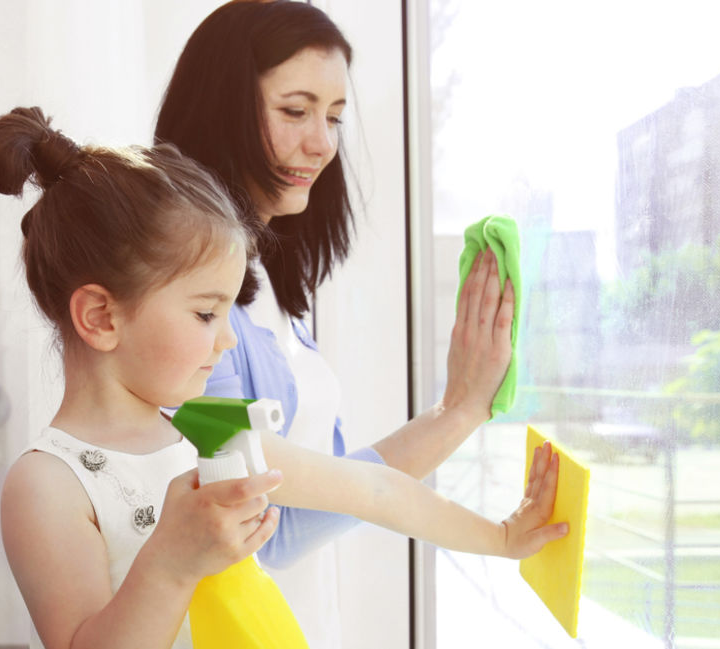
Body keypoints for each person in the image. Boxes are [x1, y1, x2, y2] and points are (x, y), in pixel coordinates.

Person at [0, 106, 565, 649]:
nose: (228, 338)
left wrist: (502, 539)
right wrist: (170, 563)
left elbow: (373, 488)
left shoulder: (208, 433)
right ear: (102, 317)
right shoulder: (46, 484)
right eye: (207, 313)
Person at [155, 2, 519, 646]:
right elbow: (278, 528)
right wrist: (456, 415)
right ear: (223, 108)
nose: (322, 142)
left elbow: (329, 478)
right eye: (295, 111)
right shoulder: (194, 306)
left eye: (334, 116)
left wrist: (459, 408)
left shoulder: (275, 288)